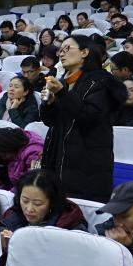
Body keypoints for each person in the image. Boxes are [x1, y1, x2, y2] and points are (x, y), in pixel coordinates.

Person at [40, 34, 126, 202]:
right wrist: (49, 103)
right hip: (59, 155)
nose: (61, 54)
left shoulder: (100, 81)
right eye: (60, 50)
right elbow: (49, 121)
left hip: (87, 160)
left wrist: (62, 94)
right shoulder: (64, 82)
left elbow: (88, 116)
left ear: (85, 52)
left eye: (66, 49)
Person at [0, 170, 87, 256]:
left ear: (52, 202)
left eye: (37, 204)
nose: (29, 209)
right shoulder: (12, 216)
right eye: (25, 201)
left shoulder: (70, 223)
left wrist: (20, 243)